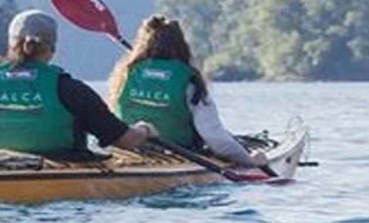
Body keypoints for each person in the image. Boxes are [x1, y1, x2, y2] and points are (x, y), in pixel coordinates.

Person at [0, 10, 158, 155]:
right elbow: (125, 141)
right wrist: (144, 130)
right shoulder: (69, 89)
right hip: (58, 169)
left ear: (10, 44)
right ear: (52, 50)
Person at [104, 15, 268, 169]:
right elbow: (215, 138)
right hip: (177, 154)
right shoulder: (189, 80)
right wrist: (251, 161)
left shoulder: (127, 73)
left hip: (128, 153)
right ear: (182, 45)